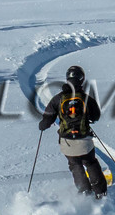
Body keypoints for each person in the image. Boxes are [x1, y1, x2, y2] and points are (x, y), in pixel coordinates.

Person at [38, 64, 108, 198]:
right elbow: (96, 116)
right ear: (82, 79)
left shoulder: (58, 98)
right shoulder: (86, 98)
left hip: (67, 141)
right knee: (90, 162)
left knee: (75, 164)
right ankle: (100, 191)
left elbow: (47, 120)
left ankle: (84, 191)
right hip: (84, 140)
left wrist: (42, 126)